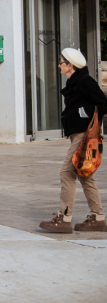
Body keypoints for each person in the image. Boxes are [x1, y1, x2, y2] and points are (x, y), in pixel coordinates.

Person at [39, 47, 107, 233]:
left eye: (61, 62)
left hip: (84, 135)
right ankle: (98, 217)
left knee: (67, 173)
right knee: (85, 174)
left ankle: (65, 218)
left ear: (70, 65)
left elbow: (103, 104)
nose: (59, 65)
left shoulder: (84, 81)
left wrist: (80, 112)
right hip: (77, 135)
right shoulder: (73, 82)